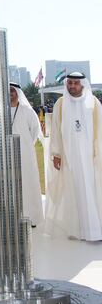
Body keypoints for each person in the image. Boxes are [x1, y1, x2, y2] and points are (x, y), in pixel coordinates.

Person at [45, 72, 102, 241]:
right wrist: (56, 153)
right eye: (69, 83)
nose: (72, 86)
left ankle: (94, 229)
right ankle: (76, 229)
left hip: (90, 157)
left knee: (92, 190)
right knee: (72, 190)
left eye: (76, 83)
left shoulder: (94, 103)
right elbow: (55, 130)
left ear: (82, 84)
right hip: (69, 157)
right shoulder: (60, 104)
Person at [9, 83, 44, 227]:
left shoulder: (27, 111)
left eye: (12, 90)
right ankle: (12, 218)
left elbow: (36, 132)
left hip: (25, 154)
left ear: (18, 92)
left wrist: (26, 145)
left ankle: (30, 217)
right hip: (6, 154)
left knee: (27, 183)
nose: (10, 93)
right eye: (7, 91)